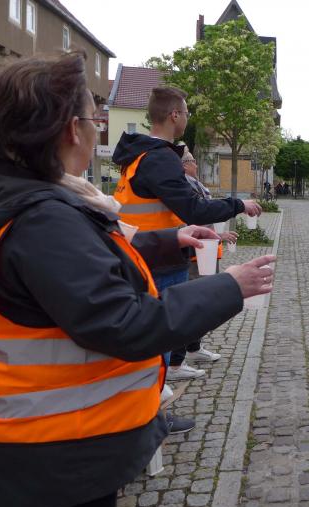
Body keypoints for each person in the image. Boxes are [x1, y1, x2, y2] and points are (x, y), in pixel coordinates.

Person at [0, 52, 275, 507]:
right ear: (71, 130)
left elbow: (86, 261)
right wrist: (229, 286)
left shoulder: (36, 199)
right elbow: (124, 322)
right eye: (94, 118)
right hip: (58, 444)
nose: (99, 127)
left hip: (52, 438)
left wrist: (168, 238)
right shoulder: (43, 218)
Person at [112, 86, 263, 384]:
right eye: (186, 112)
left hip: (143, 249)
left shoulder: (137, 156)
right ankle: (156, 391)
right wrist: (238, 205)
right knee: (164, 332)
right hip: (161, 257)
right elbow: (193, 208)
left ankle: (158, 384)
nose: (187, 118)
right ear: (174, 115)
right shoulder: (160, 158)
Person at [180, 147, 238, 365]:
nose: (196, 164)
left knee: (201, 298)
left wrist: (219, 235)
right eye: (193, 161)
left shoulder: (194, 185)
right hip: (196, 250)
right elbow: (196, 217)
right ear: (185, 164)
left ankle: (194, 347)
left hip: (206, 249)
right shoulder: (186, 186)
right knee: (196, 299)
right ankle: (182, 355)